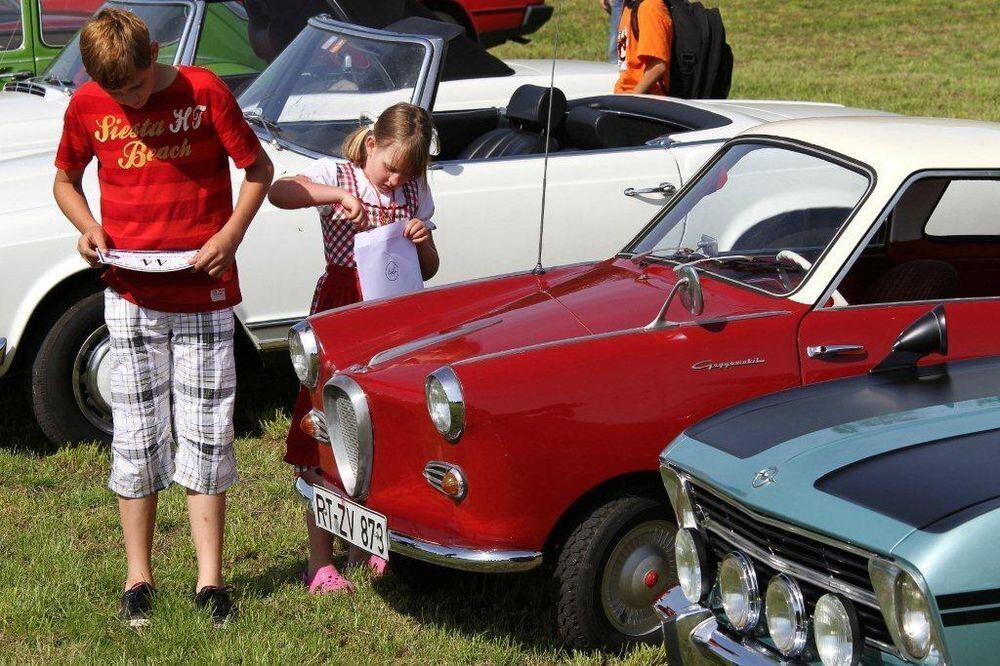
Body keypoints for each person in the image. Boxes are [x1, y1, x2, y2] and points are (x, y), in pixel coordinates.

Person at [52, 9, 273, 628]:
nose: (130, 102)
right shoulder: (89, 104)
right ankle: (138, 577)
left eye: (138, 88)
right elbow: (65, 179)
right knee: (137, 432)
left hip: (202, 289)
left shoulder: (204, 91)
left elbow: (258, 170)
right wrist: (88, 226)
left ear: (153, 53)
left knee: (206, 427)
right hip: (129, 291)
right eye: (117, 94)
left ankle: (210, 582)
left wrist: (230, 235)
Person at [268, 102, 439, 594]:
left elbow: (426, 269)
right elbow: (280, 192)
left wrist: (423, 241)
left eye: (404, 174)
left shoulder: (413, 189)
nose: (392, 182)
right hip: (343, 312)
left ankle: (369, 543)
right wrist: (335, 195)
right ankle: (320, 560)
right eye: (389, 168)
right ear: (371, 145)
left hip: (393, 317)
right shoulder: (337, 174)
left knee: (379, 426)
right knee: (327, 426)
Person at [614, 0, 673, 95]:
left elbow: (658, 66)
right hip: (625, 95)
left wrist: (633, 98)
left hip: (645, 100)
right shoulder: (628, 7)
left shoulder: (650, 7)